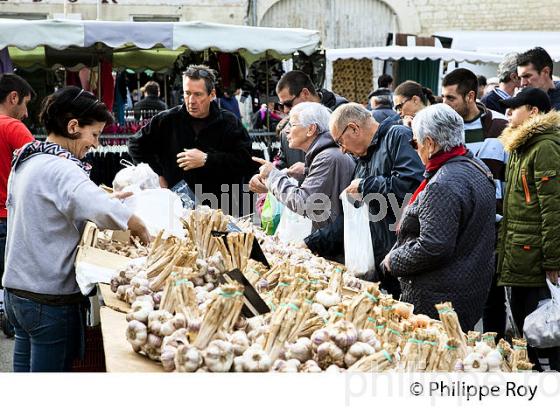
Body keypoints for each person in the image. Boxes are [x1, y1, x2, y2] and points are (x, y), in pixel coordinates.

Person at [2, 86, 150, 372]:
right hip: (46, 298)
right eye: (94, 134)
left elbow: (74, 201)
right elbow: (100, 207)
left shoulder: (28, 159)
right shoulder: (61, 168)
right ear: (73, 127)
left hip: (17, 293)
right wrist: (136, 223)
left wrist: (108, 201)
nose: (95, 144)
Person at [383, 104, 496, 331]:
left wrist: (393, 261)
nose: (415, 149)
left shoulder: (443, 183)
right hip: (466, 289)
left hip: (440, 298)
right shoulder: (476, 166)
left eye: (415, 143)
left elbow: (434, 246)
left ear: (430, 144)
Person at [304, 103, 424, 297]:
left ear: (353, 128)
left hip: (404, 262)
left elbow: (411, 185)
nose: (342, 150)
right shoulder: (362, 161)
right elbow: (349, 219)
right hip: (380, 266)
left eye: (340, 141)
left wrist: (365, 186)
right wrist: (310, 243)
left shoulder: (398, 136)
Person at [128, 65, 254, 214]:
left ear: (212, 94)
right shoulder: (167, 120)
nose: (191, 100)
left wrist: (207, 159)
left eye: (198, 94)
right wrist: (158, 175)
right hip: (177, 210)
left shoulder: (229, 122)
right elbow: (135, 145)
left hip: (221, 210)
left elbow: (245, 160)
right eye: (187, 93)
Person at [443, 67, 508, 340]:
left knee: (493, 296)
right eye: (443, 98)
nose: (445, 105)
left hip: (495, 225)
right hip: (460, 225)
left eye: (450, 99)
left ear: (470, 96)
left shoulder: (501, 127)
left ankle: (496, 352)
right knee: (459, 293)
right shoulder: (445, 128)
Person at [497, 87, 560, 371]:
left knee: (542, 331)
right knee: (526, 330)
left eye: (515, 107)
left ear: (533, 111)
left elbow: (553, 208)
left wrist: (553, 260)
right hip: (520, 252)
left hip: (535, 257)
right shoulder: (520, 146)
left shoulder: (545, 146)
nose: (509, 113)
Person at [250, 102, 355, 231]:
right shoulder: (326, 155)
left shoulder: (327, 157)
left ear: (311, 129)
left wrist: (272, 176)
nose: (287, 130)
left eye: (292, 125)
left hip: (334, 243)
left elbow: (304, 203)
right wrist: (306, 171)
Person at [0, 73, 35, 339]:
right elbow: (40, 170)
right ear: (13, 98)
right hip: (5, 218)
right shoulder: (13, 127)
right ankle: (10, 321)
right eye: (25, 104)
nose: (25, 113)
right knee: (11, 279)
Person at [274, 70, 348, 180]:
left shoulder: (344, 116)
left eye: (288, 104)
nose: (285, 110)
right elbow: (283, 162)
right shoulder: (287, 128)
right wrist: (269, 176)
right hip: (301, 194)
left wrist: (308, 169)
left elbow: (355, 161)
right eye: (280, 106)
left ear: (305, 93)